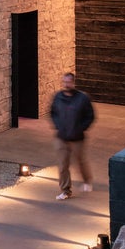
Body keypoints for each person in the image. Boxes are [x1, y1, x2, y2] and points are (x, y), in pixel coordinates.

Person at [50, 72, 94, 200]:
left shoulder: (82, 98)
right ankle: (65, 191)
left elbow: (90, 116)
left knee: (80, 161)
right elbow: (53, 113)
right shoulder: (58, 97)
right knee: (63, 165)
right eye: (64, 82)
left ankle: (87, 180)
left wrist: (81, 128)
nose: (66, 84)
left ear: (73, 82)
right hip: (61, 137)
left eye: (68, 82)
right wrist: (58, 125)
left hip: (77, 137)